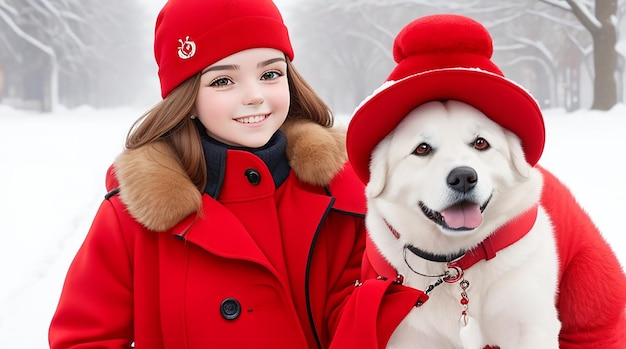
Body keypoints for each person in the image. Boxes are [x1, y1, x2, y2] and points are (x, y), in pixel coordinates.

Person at [48, 0, 367, 348]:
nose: (255, 96)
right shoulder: (132, 218)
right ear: (186, 99)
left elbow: (367, 325)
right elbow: (84, 339)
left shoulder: (345, 196)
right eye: (223, 80)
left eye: (270, 74)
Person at [330, 14, 626, 349]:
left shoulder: (544, 225)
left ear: (515, 156)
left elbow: (573, 327)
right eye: (423, 149)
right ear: (382, 170)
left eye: (480, 144)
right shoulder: (380, 244)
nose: (461, 172)